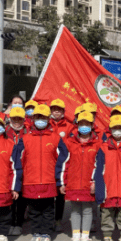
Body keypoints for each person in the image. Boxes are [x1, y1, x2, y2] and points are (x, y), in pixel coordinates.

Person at [15, 104, 69, 241]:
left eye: (43, 117)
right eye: (37, 117)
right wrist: (19, 180)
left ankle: (45, 234)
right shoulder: (25, 139)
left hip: (49, 180)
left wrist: (59, 179)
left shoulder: (56, 138)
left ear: (48, 119)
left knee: (47, 210)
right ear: (33, 119)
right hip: (30, 181)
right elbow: (18, 160)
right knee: (33, 211)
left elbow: (63, 160)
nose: (40, 120)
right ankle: (36, 233)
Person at [61, 111, 102, 241]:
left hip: (88, 184)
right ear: (77, 125)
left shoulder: (98, 144)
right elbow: (64, 164)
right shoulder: (69, 142)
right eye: (81, 124)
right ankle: (75, 237)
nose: (84, 126)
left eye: (87, 124)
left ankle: (85, 238)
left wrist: (96, 183)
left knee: (87, 210)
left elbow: (100, 166)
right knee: (75, 211)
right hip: (73, 183)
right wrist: (62, 182)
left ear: (92, 125)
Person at [49, 98, 73, 232]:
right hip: (48, 163)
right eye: (54, 109)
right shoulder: (47, 124)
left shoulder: (69, 126)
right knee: (48, 194)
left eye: (59, 109)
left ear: (63, 111)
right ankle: (49, 219)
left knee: (60, 194)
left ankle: (58, 219)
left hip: (63, 164)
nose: (56, 112)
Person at [5, 107, 28, 236]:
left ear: (24, 120)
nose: (17, 122)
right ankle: (10, 223)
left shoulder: (28, 132)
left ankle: (18, 223)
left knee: (21, 200)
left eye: (19, 119)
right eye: (14, 119)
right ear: (10, 119)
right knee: (10, 199)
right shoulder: (4, 132)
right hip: (9, 170)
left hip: (24, 170)